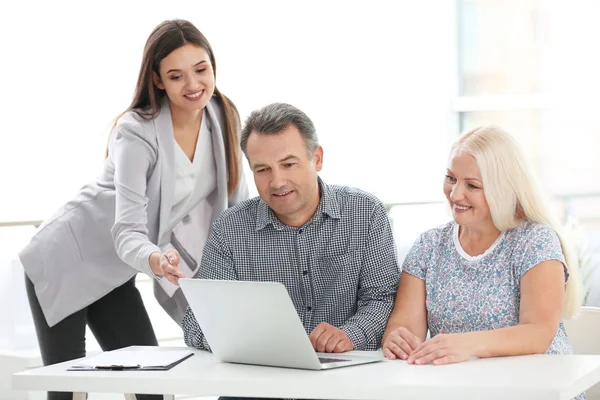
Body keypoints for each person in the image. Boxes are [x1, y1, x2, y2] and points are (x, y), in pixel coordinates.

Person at [19, 19, 248, 400]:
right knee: (68, 391)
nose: (193, 85)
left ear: (213, 66)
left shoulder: (223, 117)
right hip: (66, 257)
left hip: (117, 272)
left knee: (151, 388)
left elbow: (236, 209)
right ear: (158, 80)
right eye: (176, 76)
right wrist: (157, 259)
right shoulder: (136, 131)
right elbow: (127, 230)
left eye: (201, 70)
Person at [381, 124, 584, 398]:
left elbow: (538, 333)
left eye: (472, 185)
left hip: (536, 389)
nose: (455, 194)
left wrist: (466, 345)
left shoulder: (534, 241)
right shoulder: (429, 245)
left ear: (503, 189)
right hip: (462, 390)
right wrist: (397, 338)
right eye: (451, 178)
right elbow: (405, 326)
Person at [182, 102, 400, 354]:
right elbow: (197, 320)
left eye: (288, 164)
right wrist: (253, 340)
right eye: (262, 170)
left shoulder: (365, 212)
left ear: (316, 158)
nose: (277, 182)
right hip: (260, 379)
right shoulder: (230, 228)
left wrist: (349, 335)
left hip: (345, 376)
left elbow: (382, 298)